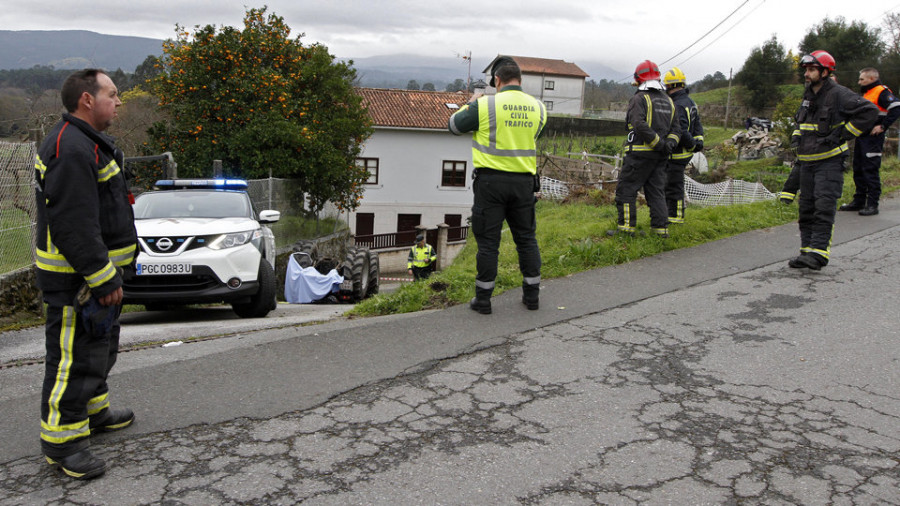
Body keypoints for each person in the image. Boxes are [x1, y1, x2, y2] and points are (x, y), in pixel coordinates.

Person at [33, 69, 138, 480]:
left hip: (96, 279)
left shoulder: (84, 142)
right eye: (112, 94)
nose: (118, 102)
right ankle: (63, 445)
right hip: (79, 282)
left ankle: (94, 413)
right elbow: (74, 224)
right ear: (87, 101)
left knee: (98, 350)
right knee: (71, 361)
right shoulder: (72, 148)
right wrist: (102, 277)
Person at [448, 56, 546, 314]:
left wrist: (468, 105)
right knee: (526, 239)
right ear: (520, 81)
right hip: (524, 184)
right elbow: (534, 134)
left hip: (491, 184)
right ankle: (532, 296)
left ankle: (483, 301)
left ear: (497, 80)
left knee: (488, 243)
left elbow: (454, 126)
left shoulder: (485, 105)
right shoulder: (539, 108)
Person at [788, 51, 877, 270]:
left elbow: (869, 112)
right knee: (806, 208)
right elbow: (803, 122)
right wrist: (797, 136)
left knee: (823, 206)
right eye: (806, 70)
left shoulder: (839, 94)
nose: (807, 74)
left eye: (812, 70)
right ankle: (806, 251)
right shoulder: (808, 95)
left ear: (825, 71)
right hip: (807, 162)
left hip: (829, 162)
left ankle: (819, 254)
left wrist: (842, 134)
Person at [609, 60, 680, 238]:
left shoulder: (639, 98)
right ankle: (660, 230)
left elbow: (638, 124)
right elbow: (676, 129)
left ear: (639, 79)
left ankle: (625, 229)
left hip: (639, 155)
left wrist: (656, 143)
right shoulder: (669, 101)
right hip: (660, 157)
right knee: (656, 192)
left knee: (626, 190)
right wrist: (668, 144)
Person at [839, 67, 900, 216]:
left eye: (862, 79)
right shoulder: (867, 93)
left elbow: (896, 108)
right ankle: (859, 201)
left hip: (873, 138)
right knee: (858, 169)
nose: (859, 82)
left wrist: (883, 126)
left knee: (870, 171)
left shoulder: (881, 91)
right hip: (862, 136)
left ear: (871, 79)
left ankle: (872, 204)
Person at [662, 67, 704, 224]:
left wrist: (692, 145)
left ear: (671, 86)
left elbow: (680, 130)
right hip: (686, 153)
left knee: (673, 186)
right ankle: (672, 214)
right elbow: (697, 124)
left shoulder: (677, 105)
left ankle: (675, 216)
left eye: (666, 86)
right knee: (674, 185)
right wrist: (698, 142)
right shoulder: (690, 102)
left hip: (677, 153)